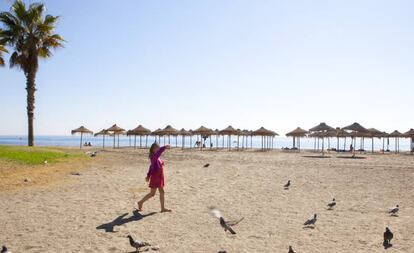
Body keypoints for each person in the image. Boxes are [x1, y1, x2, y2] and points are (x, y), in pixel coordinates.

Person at [137, 143, 171, 212]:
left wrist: (161, 163)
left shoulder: (157, 158)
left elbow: (151, 166)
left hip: (160, 177)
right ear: (152, 149)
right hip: (155, 177)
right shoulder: (153, 156)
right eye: (156, 147)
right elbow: (158, 154)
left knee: (162, 192)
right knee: (152, 194)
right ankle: (140, 202)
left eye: (158, 147)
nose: (158, 149)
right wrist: (164, 147)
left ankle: (162, 208)